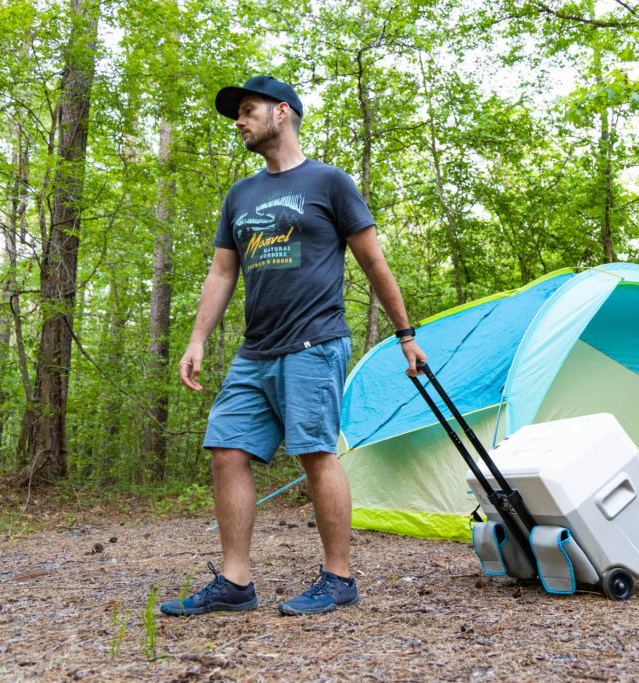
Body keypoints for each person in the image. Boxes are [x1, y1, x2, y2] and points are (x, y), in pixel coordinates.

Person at [159, 75, 426, 617]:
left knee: (314, 453)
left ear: (282, 113)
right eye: (238, 113)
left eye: (248, 110)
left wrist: (406, 335)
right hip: (255, 351)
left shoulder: (329, 183)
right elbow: (222, 271)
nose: (239, 120)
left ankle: (339, 578)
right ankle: (236, 582)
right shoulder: (240, 194)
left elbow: (373, 262)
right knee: (227, 449)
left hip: (314, 343)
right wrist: (197, 339)